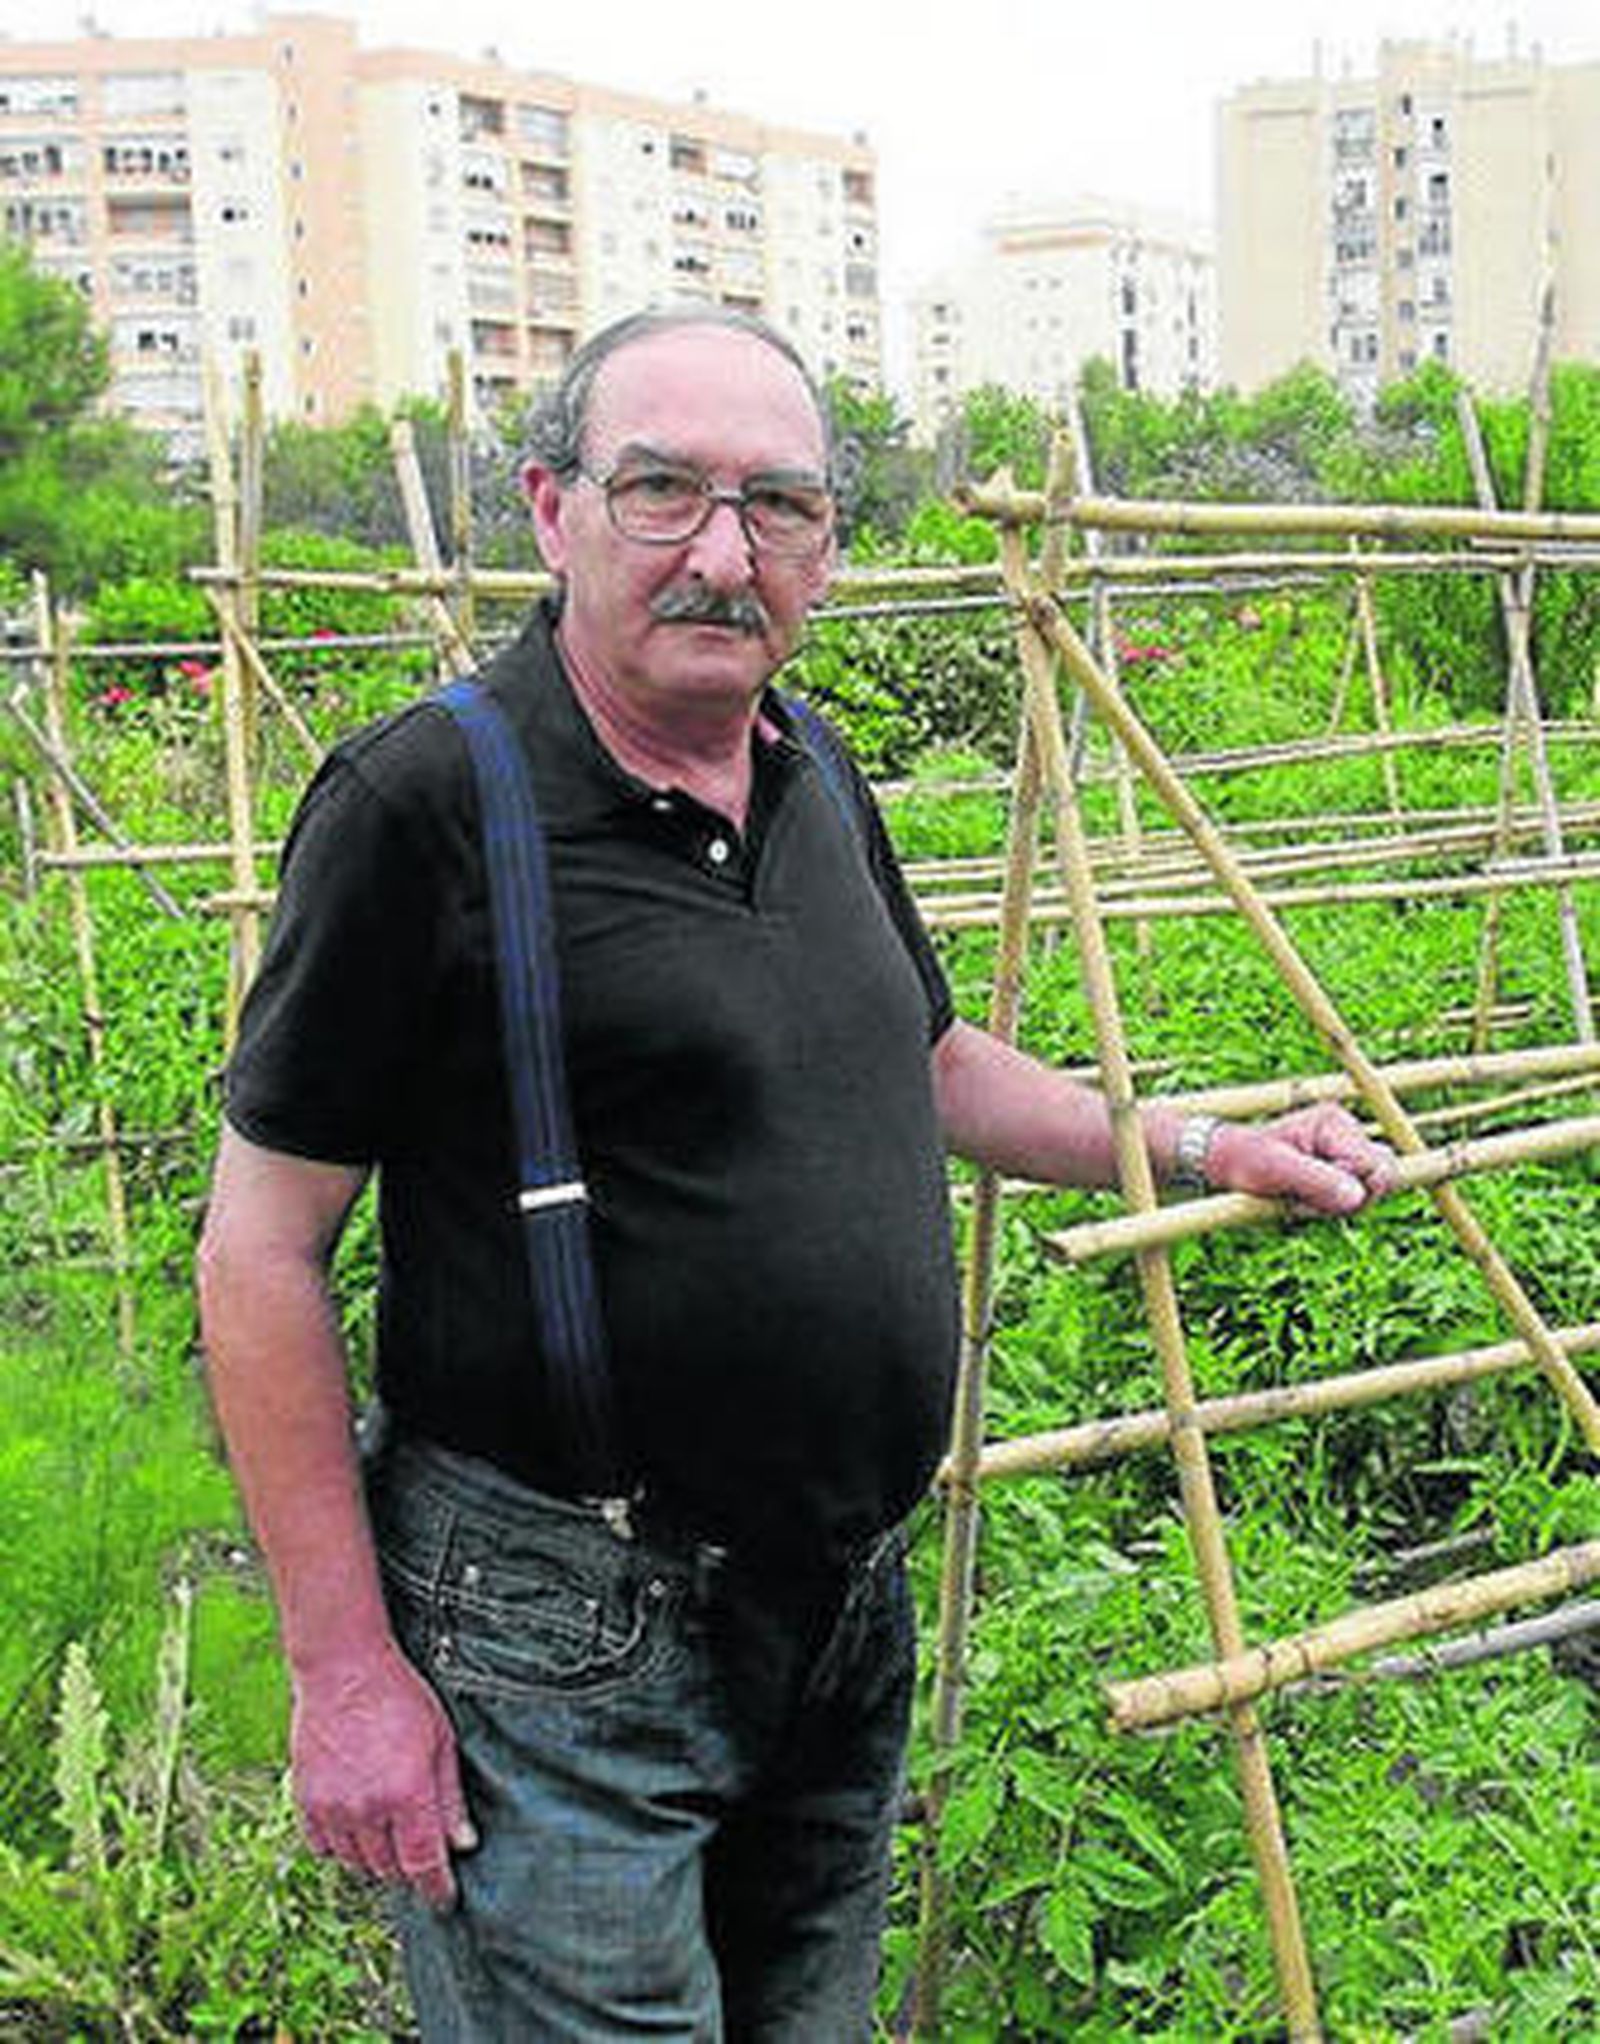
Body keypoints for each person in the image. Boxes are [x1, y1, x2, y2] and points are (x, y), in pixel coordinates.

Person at [196, 305, 1393, 2040]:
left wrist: (1197, 1141)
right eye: (663, 492)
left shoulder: (811, 765)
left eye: (779, 505)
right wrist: (343, 1673)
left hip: (833, 1607)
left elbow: (931, 1059)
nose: (723, 553)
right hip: (557, 1628)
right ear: (551, 508)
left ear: (827, 543)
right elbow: (259, 1250)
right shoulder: (425, 808)